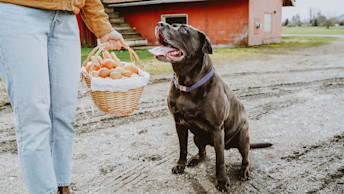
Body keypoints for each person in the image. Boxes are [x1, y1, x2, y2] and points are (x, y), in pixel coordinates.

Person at [0, 1, 127, 193]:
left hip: (66, 17)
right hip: (19, 11)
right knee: (33, 117)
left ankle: (62, 186)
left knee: (64, 115)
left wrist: (102, 27)